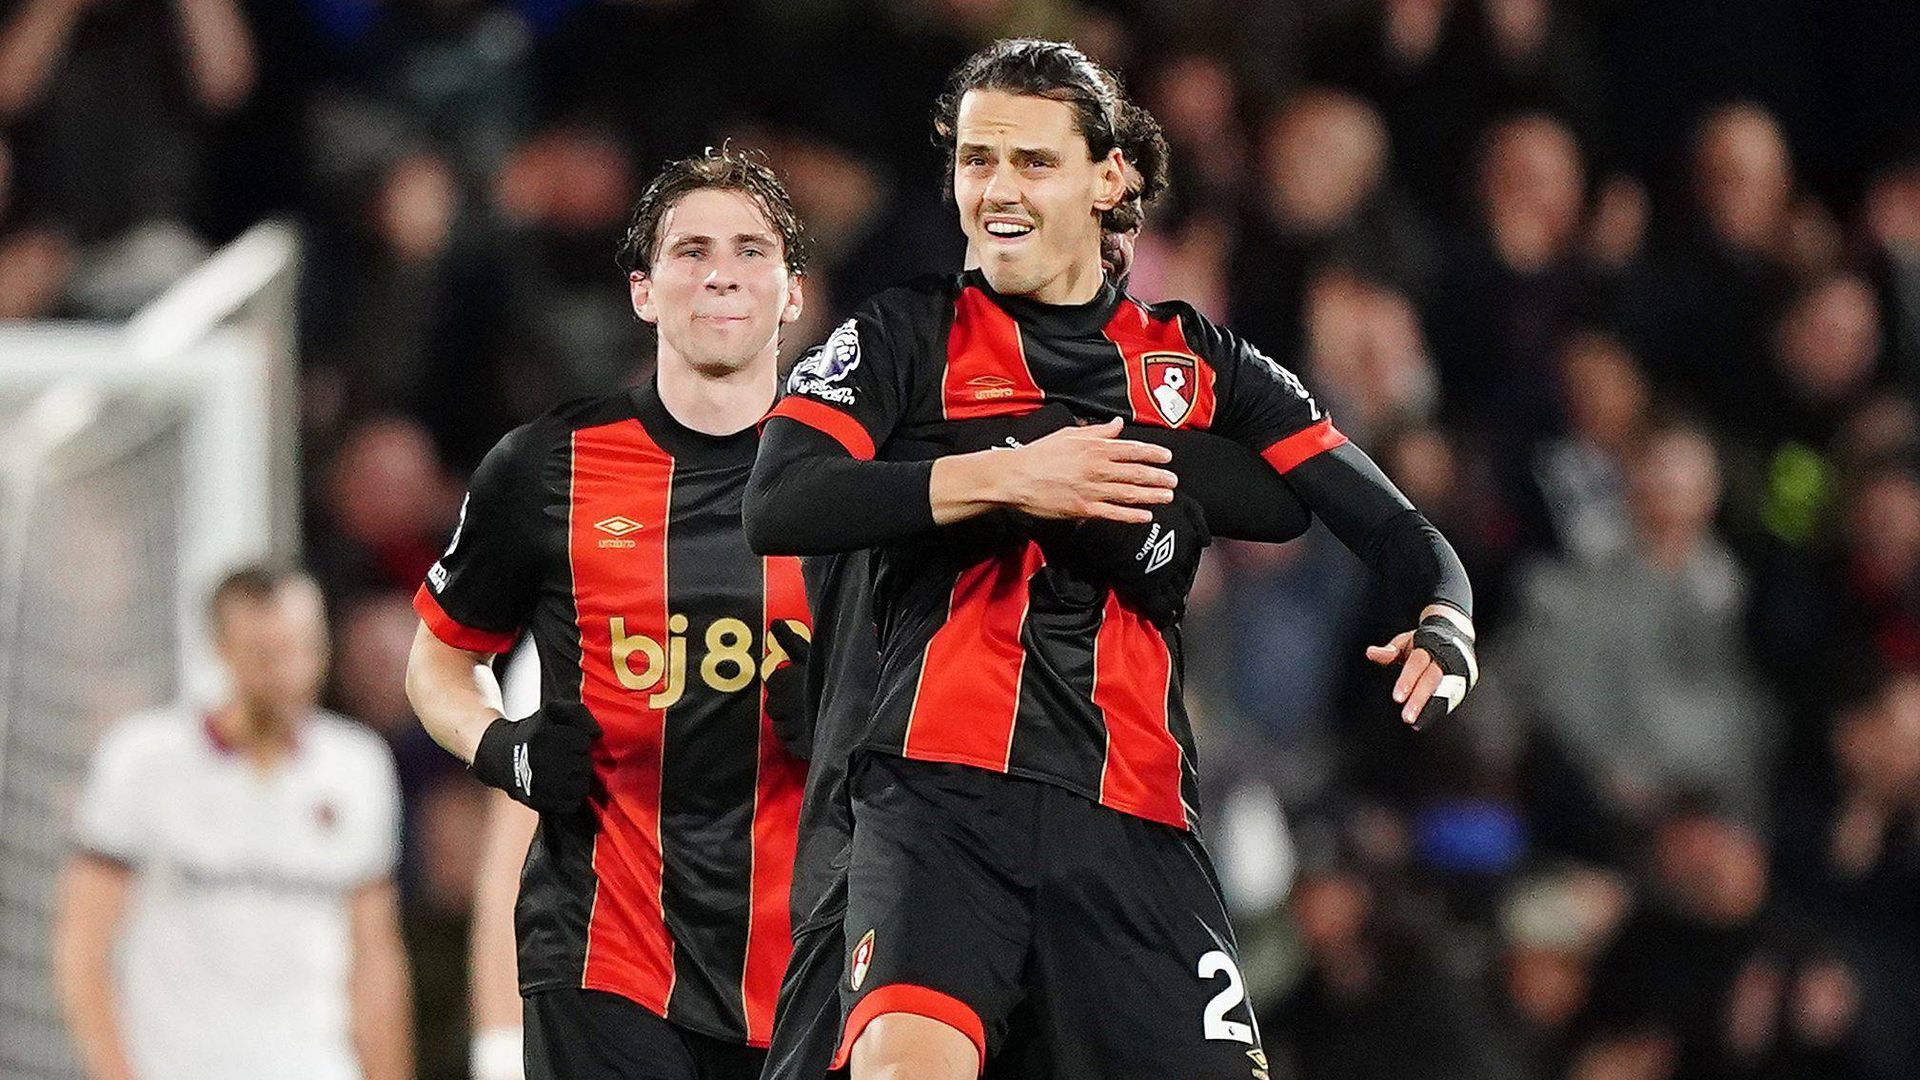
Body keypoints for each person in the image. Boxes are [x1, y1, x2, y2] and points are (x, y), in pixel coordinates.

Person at [747, 38, 1479, 1079]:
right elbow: (780, 499)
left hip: (1133, 818)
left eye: (1032, 162)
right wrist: (1010, 475)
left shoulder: (1198, 361)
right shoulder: (905, 338)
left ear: (1111, 177)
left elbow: (1388, 527)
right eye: (976, 160)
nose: (996, 188)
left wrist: (1442, 616)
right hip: (941, 797)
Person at [406, 147, 816, 1080]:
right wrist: (501, 746)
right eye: (691, 250)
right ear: (642, 291)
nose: (721, 272)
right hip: (603, 953)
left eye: (752, 250)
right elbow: (435, 663)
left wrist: (856, 708)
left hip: (812, 957)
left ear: (792, 293)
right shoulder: (544, 467)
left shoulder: (862, 477)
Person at [52, 565, 412, 1080]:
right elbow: (83, 946)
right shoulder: (141, 761)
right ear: (221, 650)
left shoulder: (358, 766)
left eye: (303, 650)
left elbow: (375, 956)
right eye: (266, 655)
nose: (289, 672)